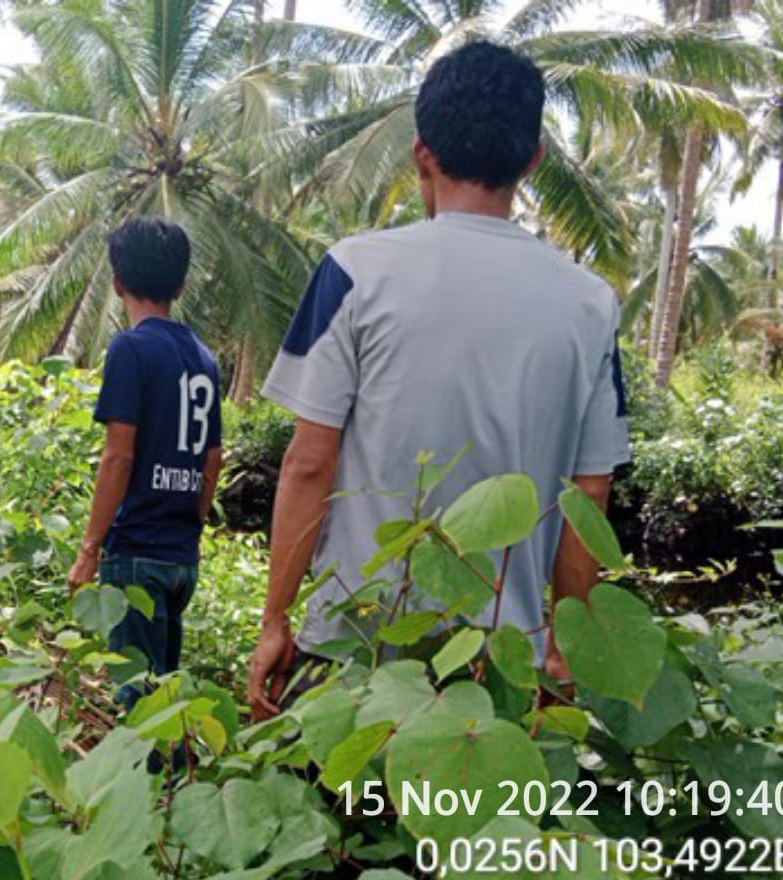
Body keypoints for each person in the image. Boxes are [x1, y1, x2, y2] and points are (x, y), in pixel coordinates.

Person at [248, 41, 631, 720]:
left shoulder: (354, 272)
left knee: (335, 823)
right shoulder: (589, 304)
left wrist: (277, 619)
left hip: (353, 654)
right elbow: (589, 492)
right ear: (534, 158)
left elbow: (310, 463)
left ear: (421, 153)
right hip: (500, 664)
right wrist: (562, 648)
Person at [69, 217, 224, 707]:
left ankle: (151, 783)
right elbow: (213, 458)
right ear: (180, 285)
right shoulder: (203, 357)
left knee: (137, 701)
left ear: (117, 283)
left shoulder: (130, 349)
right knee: (166, 696)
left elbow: (118, 456)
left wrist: (89, 550)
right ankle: (175, 780)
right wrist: (194, 524)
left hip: (135, 553)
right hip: (181, 558)